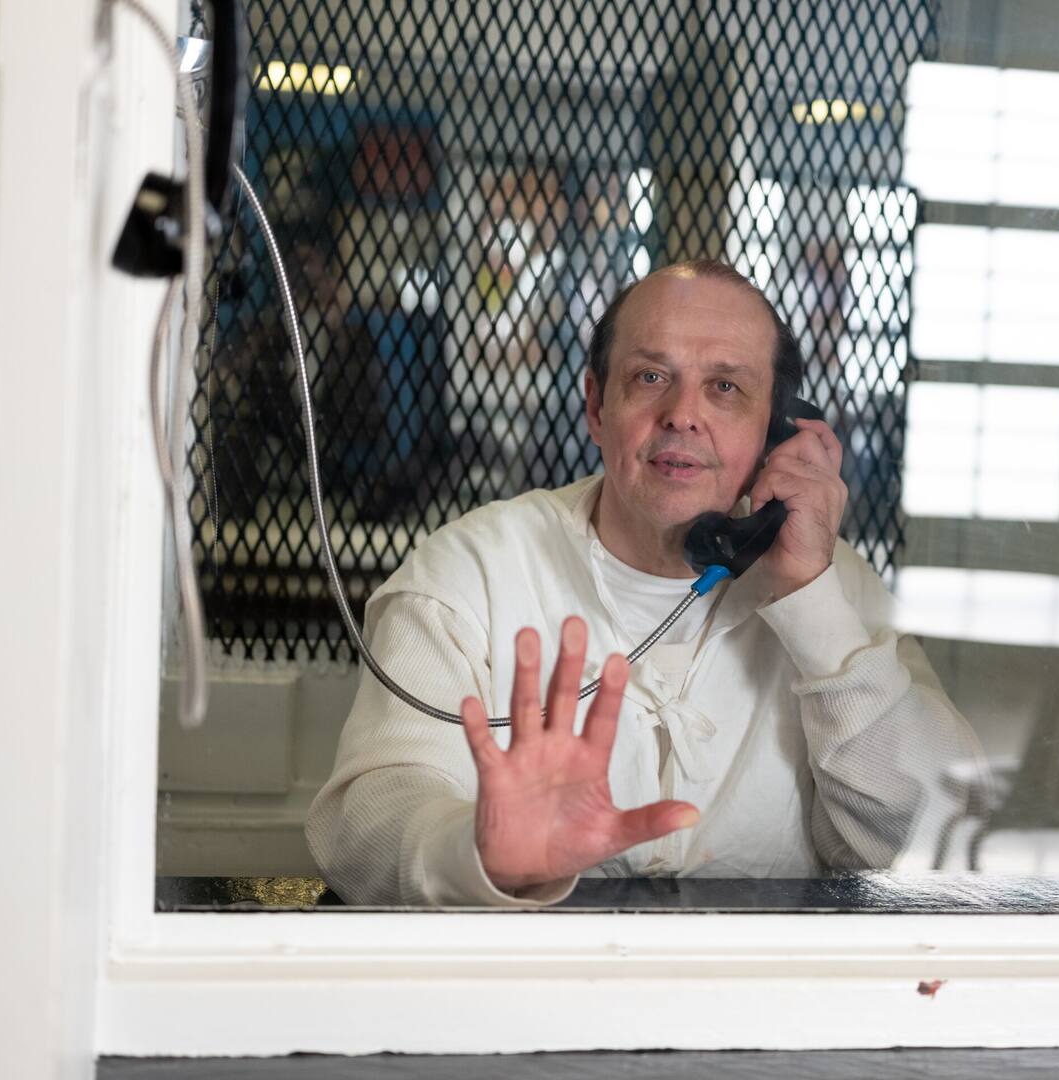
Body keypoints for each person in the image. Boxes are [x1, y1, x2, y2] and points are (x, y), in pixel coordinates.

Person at [306, 259, 968, 905]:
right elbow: (365, 823)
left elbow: (935, 835)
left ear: (776, 430)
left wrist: (809, 598)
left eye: (726, 387)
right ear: (596, 407)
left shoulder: (832, 583)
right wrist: (474, 854)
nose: (682, 414)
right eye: (651, 376)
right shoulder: (469, 574)